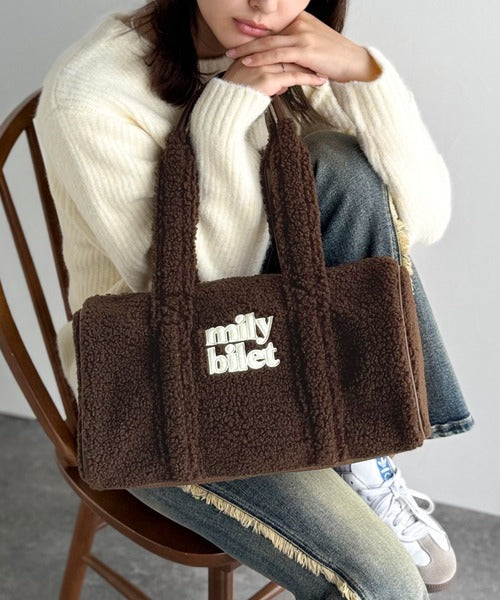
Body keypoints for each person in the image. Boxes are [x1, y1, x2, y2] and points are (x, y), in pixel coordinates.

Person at [34, 1, 474, 598]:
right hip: (154, 388)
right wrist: (225, 116)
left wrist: (367, 75)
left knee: (341, 165)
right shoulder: (91, 93)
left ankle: (357, 450)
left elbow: (420, 222)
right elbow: (199, 300)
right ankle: (354, 435)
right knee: (385, 585)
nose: (265, 4)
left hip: (280, 347)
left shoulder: (283, 41)